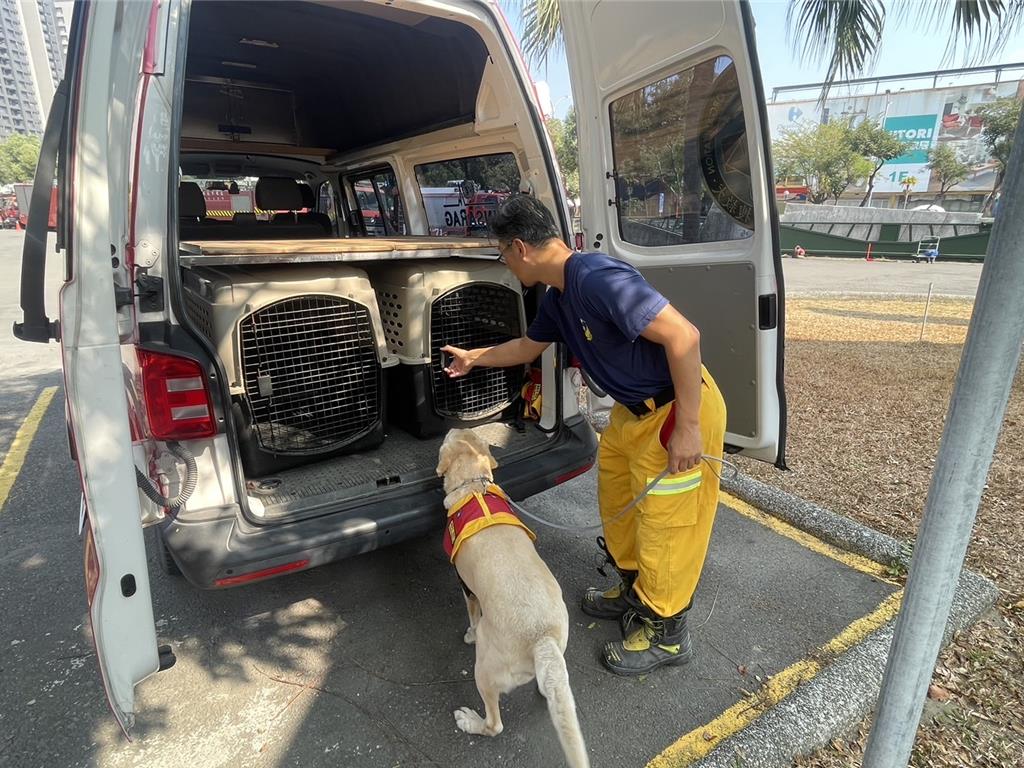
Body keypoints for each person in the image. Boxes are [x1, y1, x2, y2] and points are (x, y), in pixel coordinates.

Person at [441, 195, 727, 676]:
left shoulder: (595, 278)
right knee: (620, 507)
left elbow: (685, 337)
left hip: (676, 412)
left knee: (668, 526)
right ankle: (634, 591)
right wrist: (476, 357)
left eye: (502, 255)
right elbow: (529, 346)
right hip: (631, 415)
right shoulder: (558, 296)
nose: (505, 265)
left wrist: (690, 428)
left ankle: (667, 631)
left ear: (519, 248)